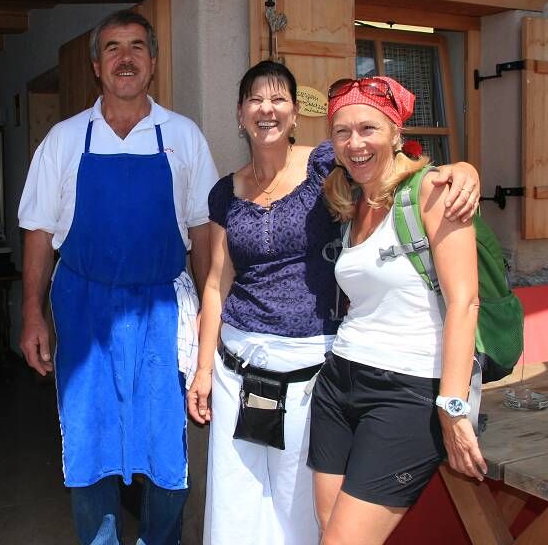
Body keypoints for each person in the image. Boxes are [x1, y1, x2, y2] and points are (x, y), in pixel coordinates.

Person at [187, 62, 481, 545]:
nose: (266, 109)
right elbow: (217, 283)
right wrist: (203, 368)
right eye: (255, 100)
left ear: (295, 113)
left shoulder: (327, 165)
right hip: (242, 365)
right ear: (239, 114)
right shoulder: (229, 191)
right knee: (238, 500)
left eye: (278, 99)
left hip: (314, 366)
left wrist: (463, 170)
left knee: (302, 512)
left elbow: (399, 167)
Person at [17, 9, 218, 545]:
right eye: (112, 48)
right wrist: (32, 313)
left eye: (136, 47)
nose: (125, 58)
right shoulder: (64, 139)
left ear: (152, 62)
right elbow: (37, 230)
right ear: (96, 65)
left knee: (167, 448)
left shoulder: (183, 136)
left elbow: (202, 229)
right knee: (90, 445)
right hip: (84, 310)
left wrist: (209, 313)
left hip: (163, 310)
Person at [308, 76, 486, 545]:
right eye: (342, 132)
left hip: (407, 391)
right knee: (327, 527)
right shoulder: (351, 200)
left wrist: (453, 406)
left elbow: (465, 302)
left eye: (368, 128)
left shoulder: (431, 191)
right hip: (339, 380)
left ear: (395, 132)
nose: (355, 143)